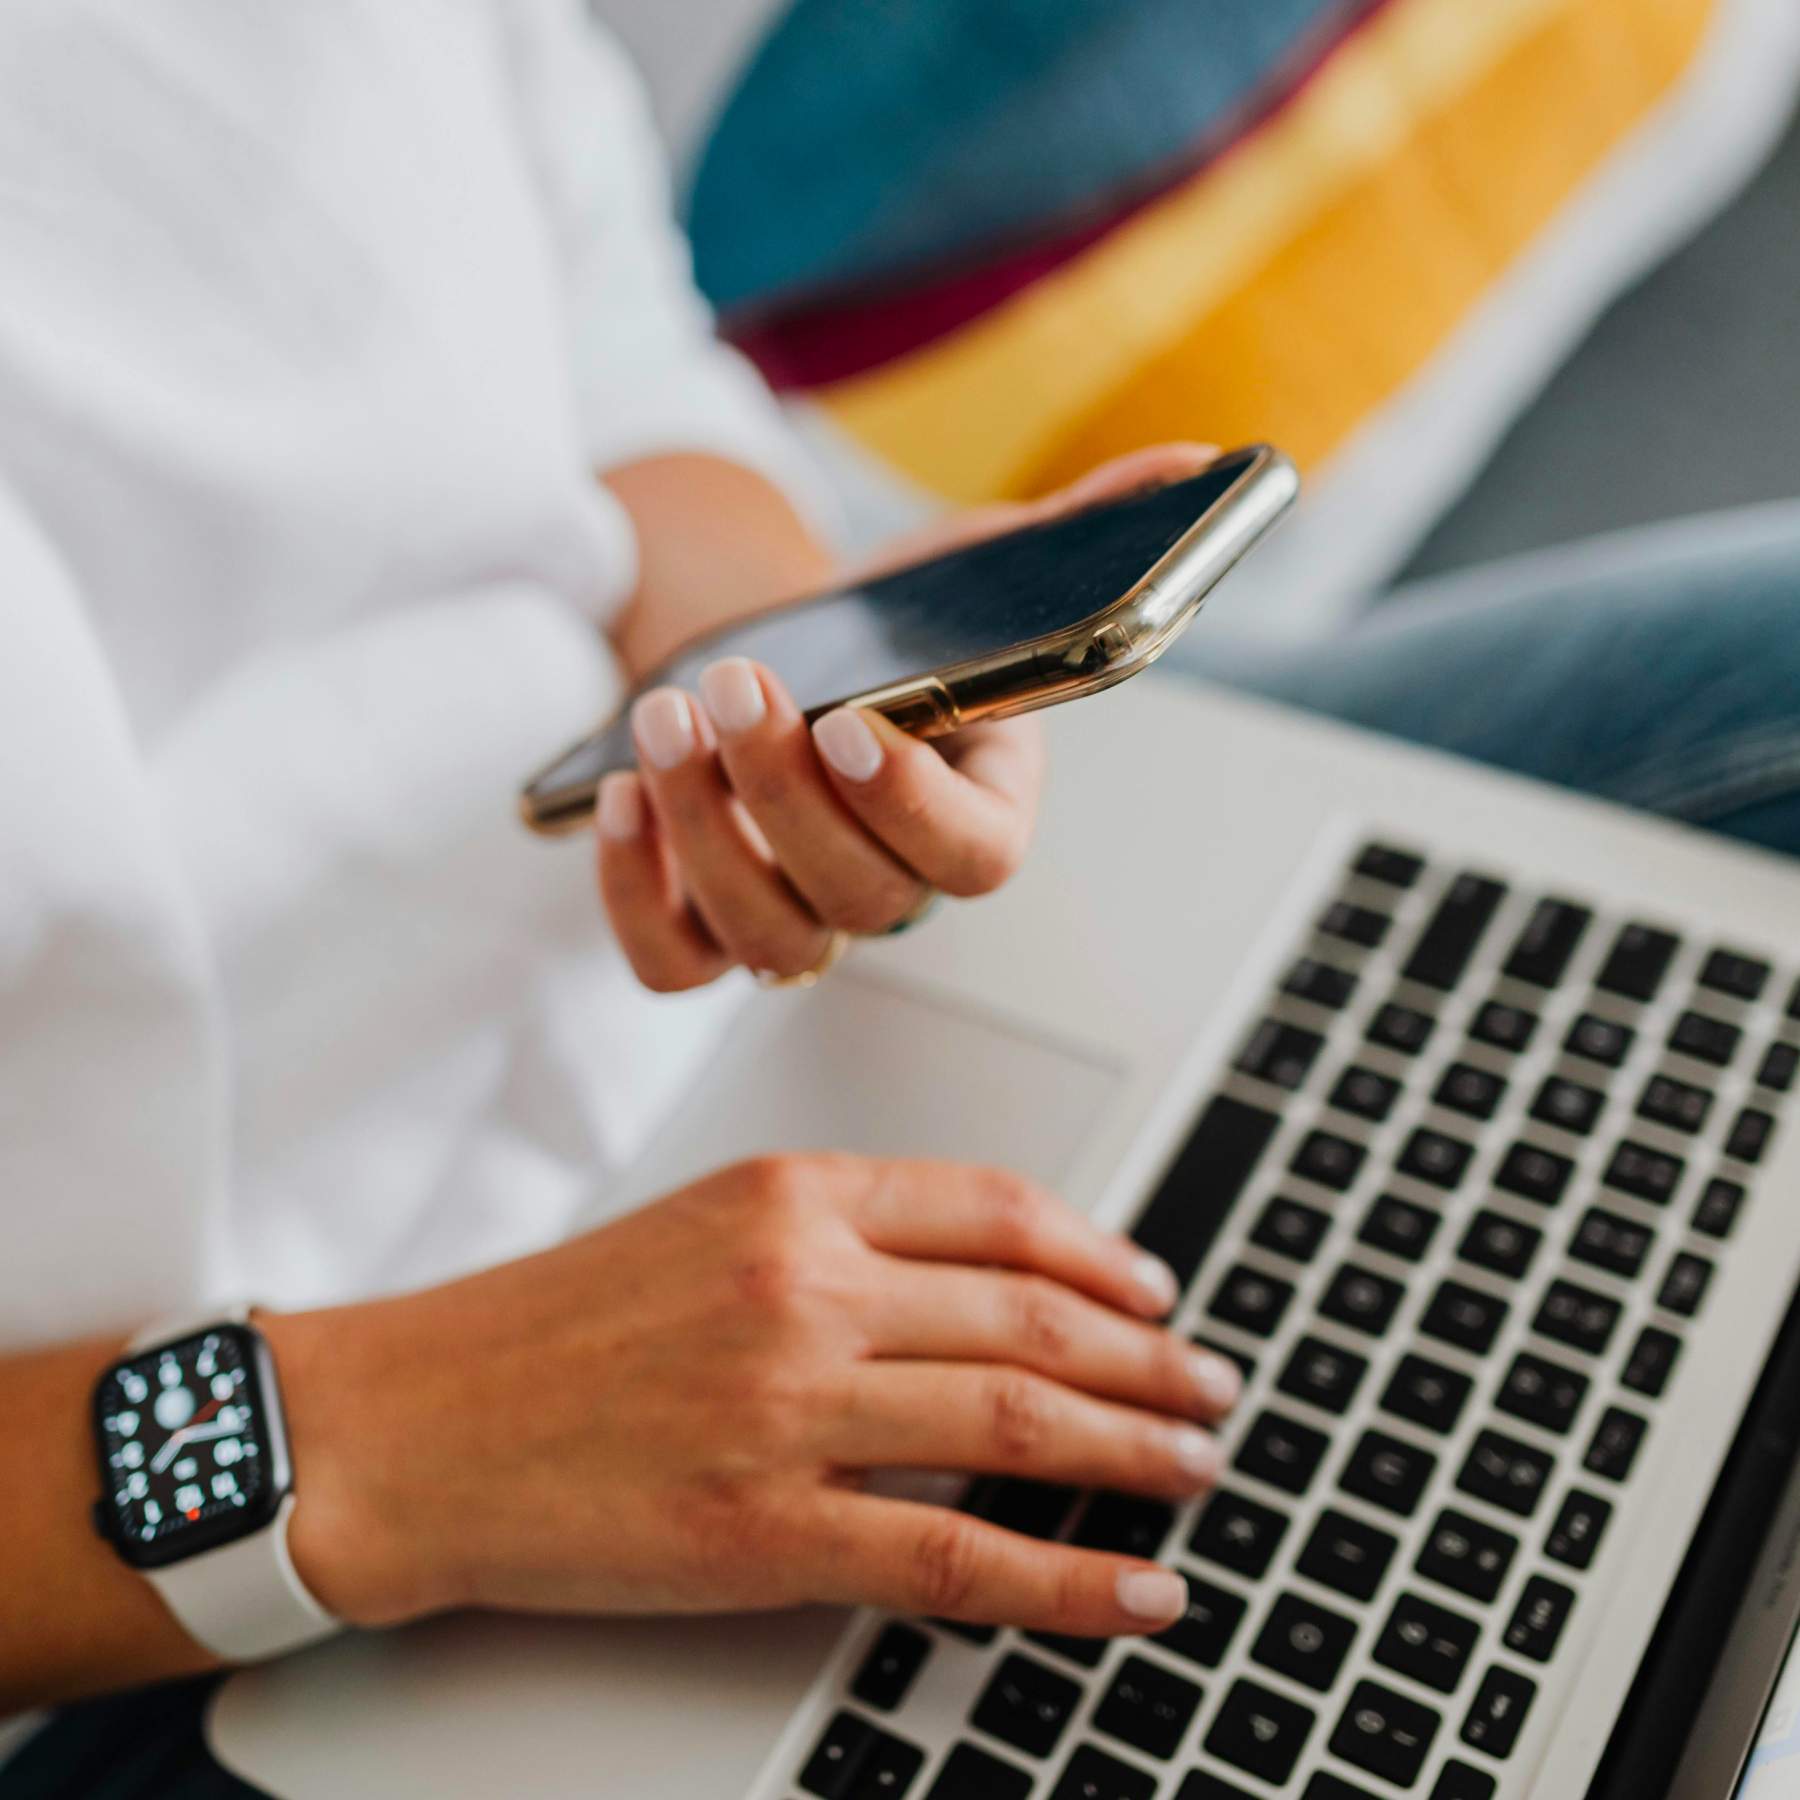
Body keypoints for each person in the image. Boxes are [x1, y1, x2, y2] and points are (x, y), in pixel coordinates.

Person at [7, 0, 1800, 1771]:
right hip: (248, 1520)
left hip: (787, 972)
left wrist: (801, 670)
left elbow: (611, 347)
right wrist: (394, 1437)